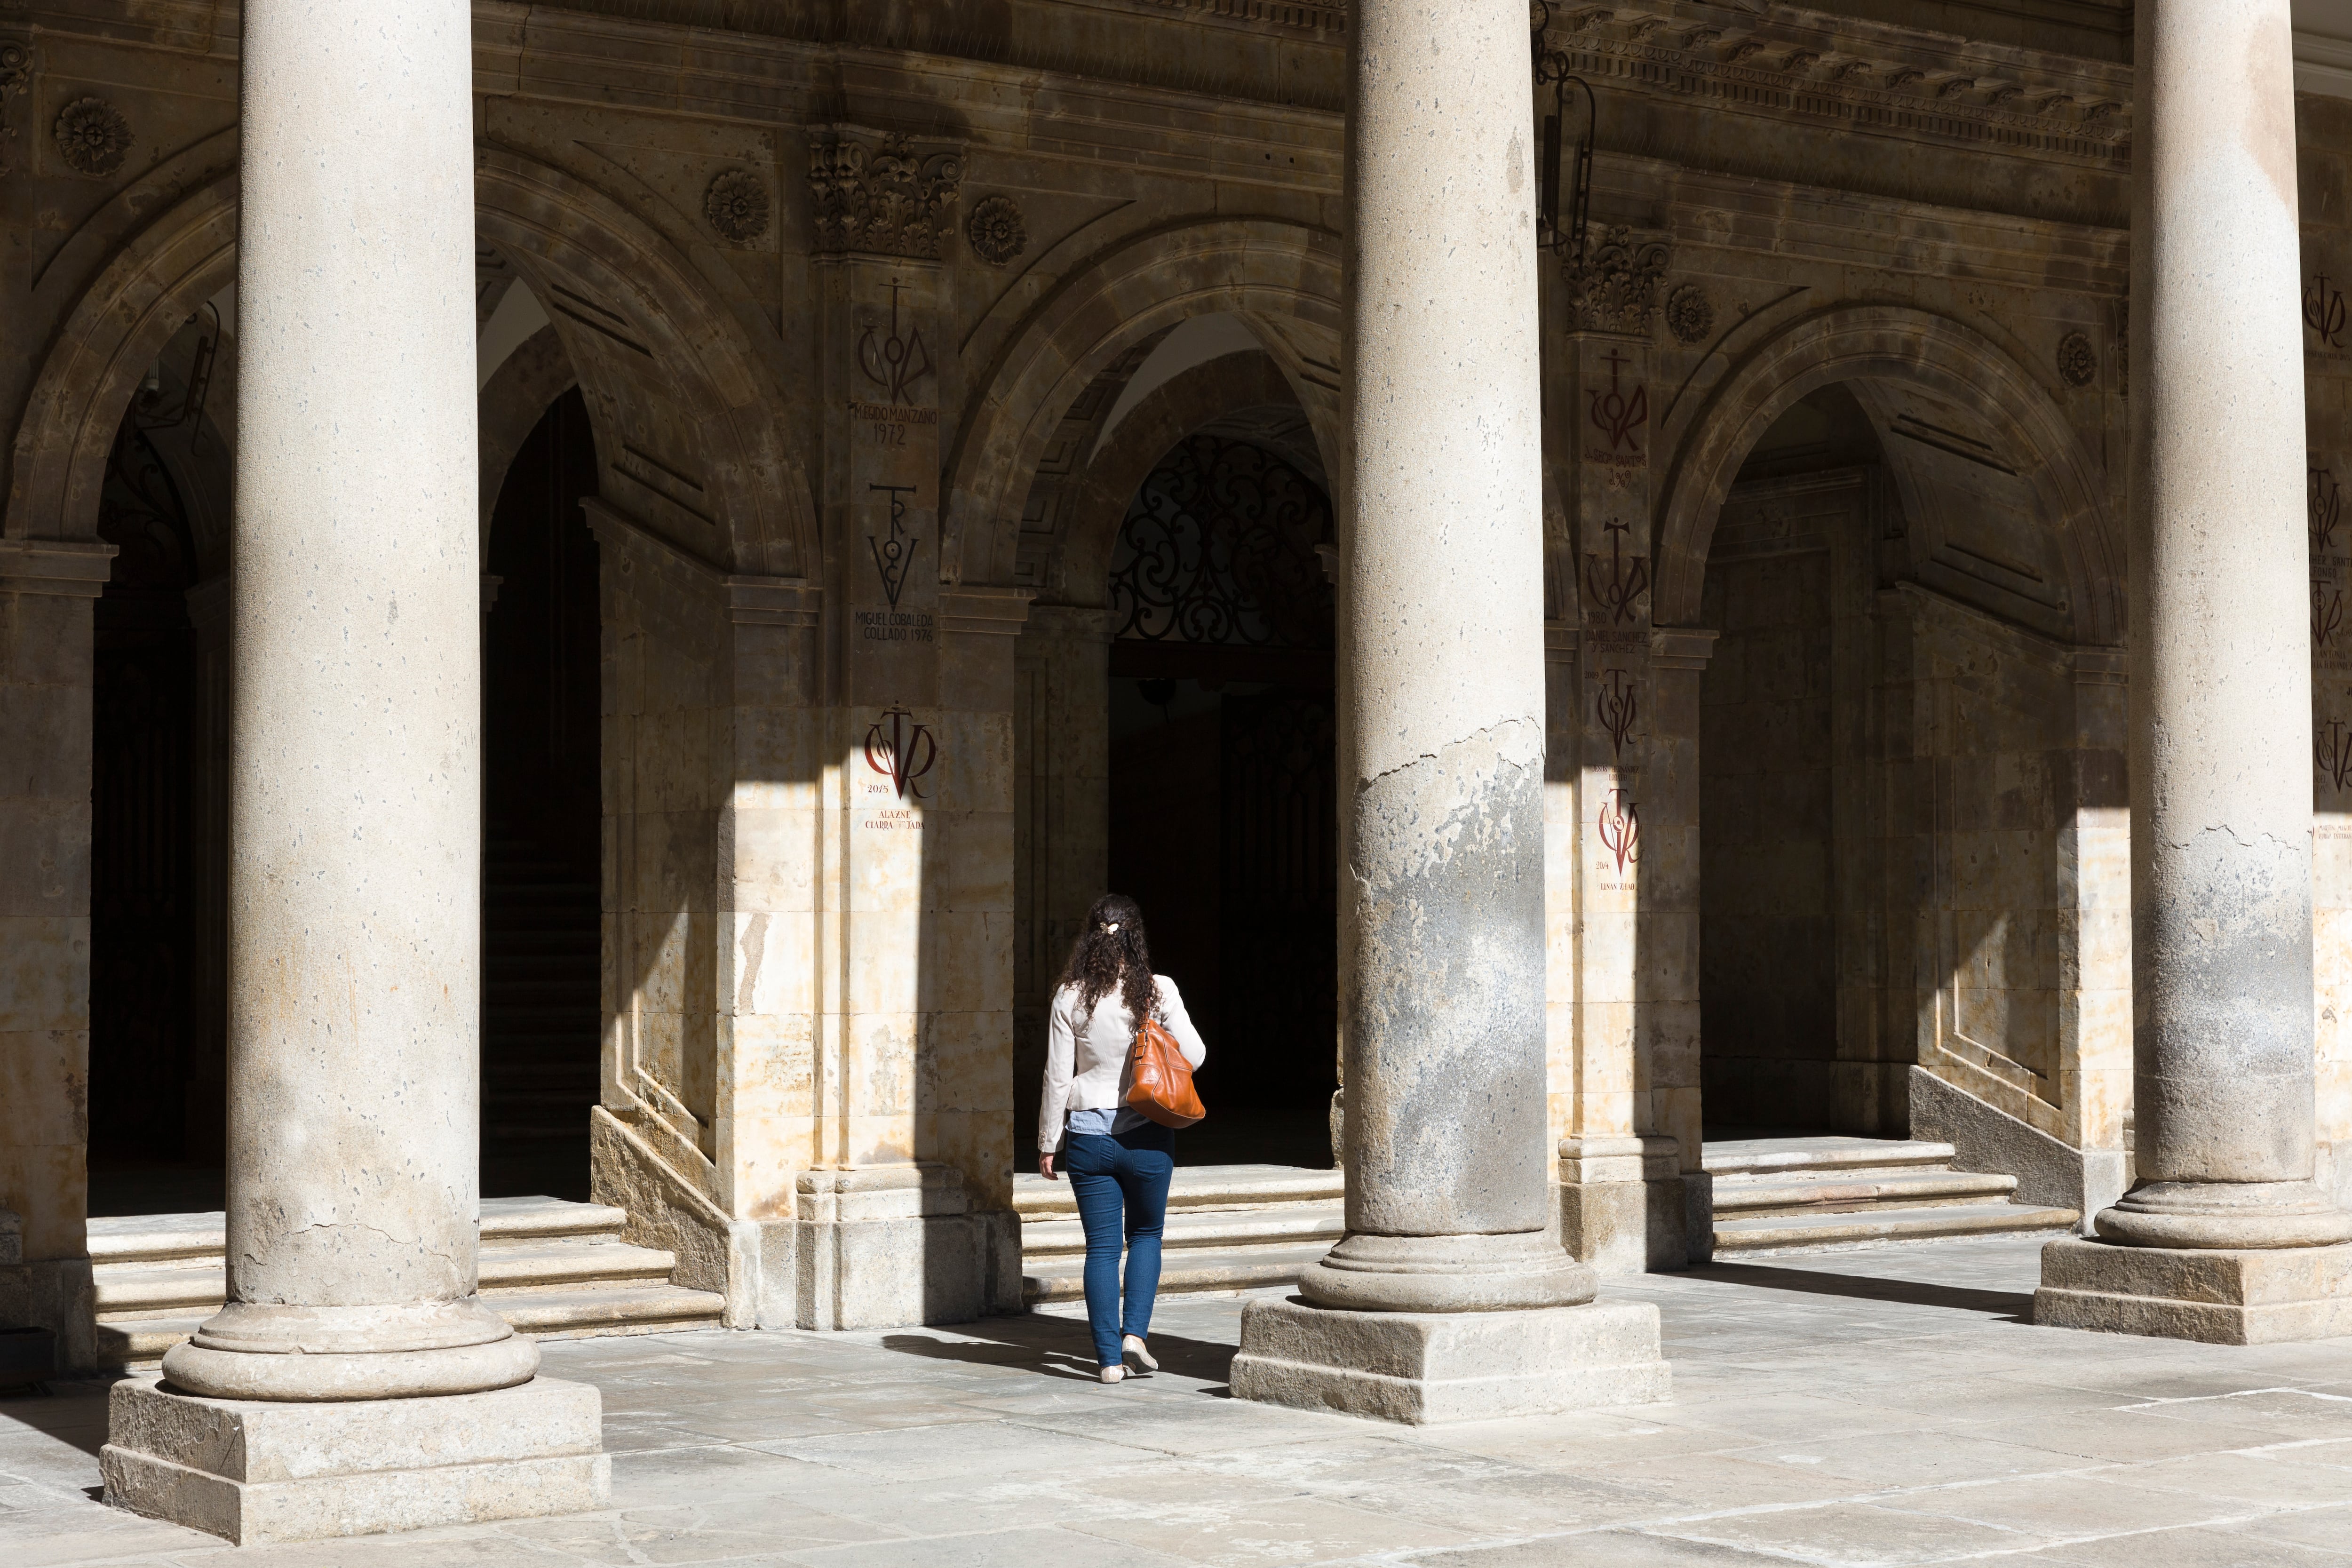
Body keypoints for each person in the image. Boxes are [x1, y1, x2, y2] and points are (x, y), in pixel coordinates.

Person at [1037, 893, 1208, 1384]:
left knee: (1101, 1250)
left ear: (1091, 936)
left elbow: (1056, 1076)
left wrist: (1049, 1141)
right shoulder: (1157, 991)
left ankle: (1108, 1361)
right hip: (1147, 1134)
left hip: (1088, 1136)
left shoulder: (1069, 996)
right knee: (1147, 1235)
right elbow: (1194, 1055)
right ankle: (1135, 1335)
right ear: (1136, 936)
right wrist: (1152, 1039)